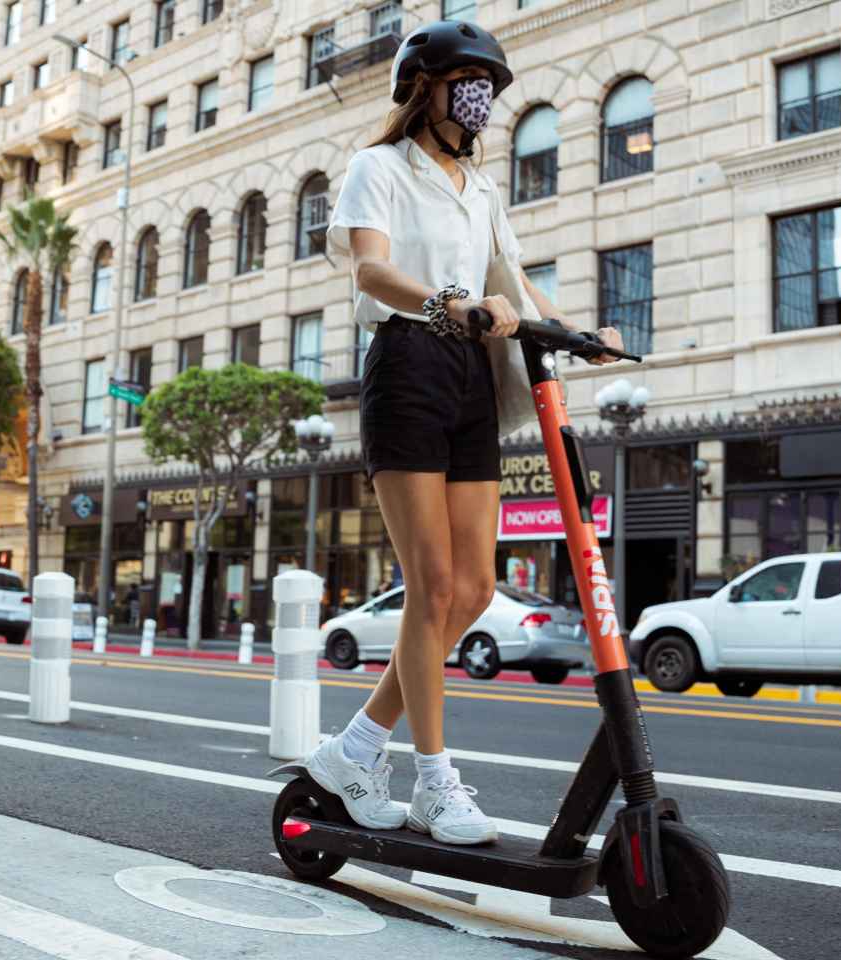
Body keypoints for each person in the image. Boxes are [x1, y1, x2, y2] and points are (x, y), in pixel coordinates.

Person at [300, 20, 622, 846]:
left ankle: (354, 747)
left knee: (475, 589)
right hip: (409, 363)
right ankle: (434, 778)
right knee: (433, 586)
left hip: (475, 376)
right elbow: (369, 269)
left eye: (488, 82)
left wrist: (576, 333)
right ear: (425, 86)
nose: (479, 97)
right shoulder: (379, 167)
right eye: (466, 79)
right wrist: (448, 303)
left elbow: (509, 281)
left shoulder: (480, 188)